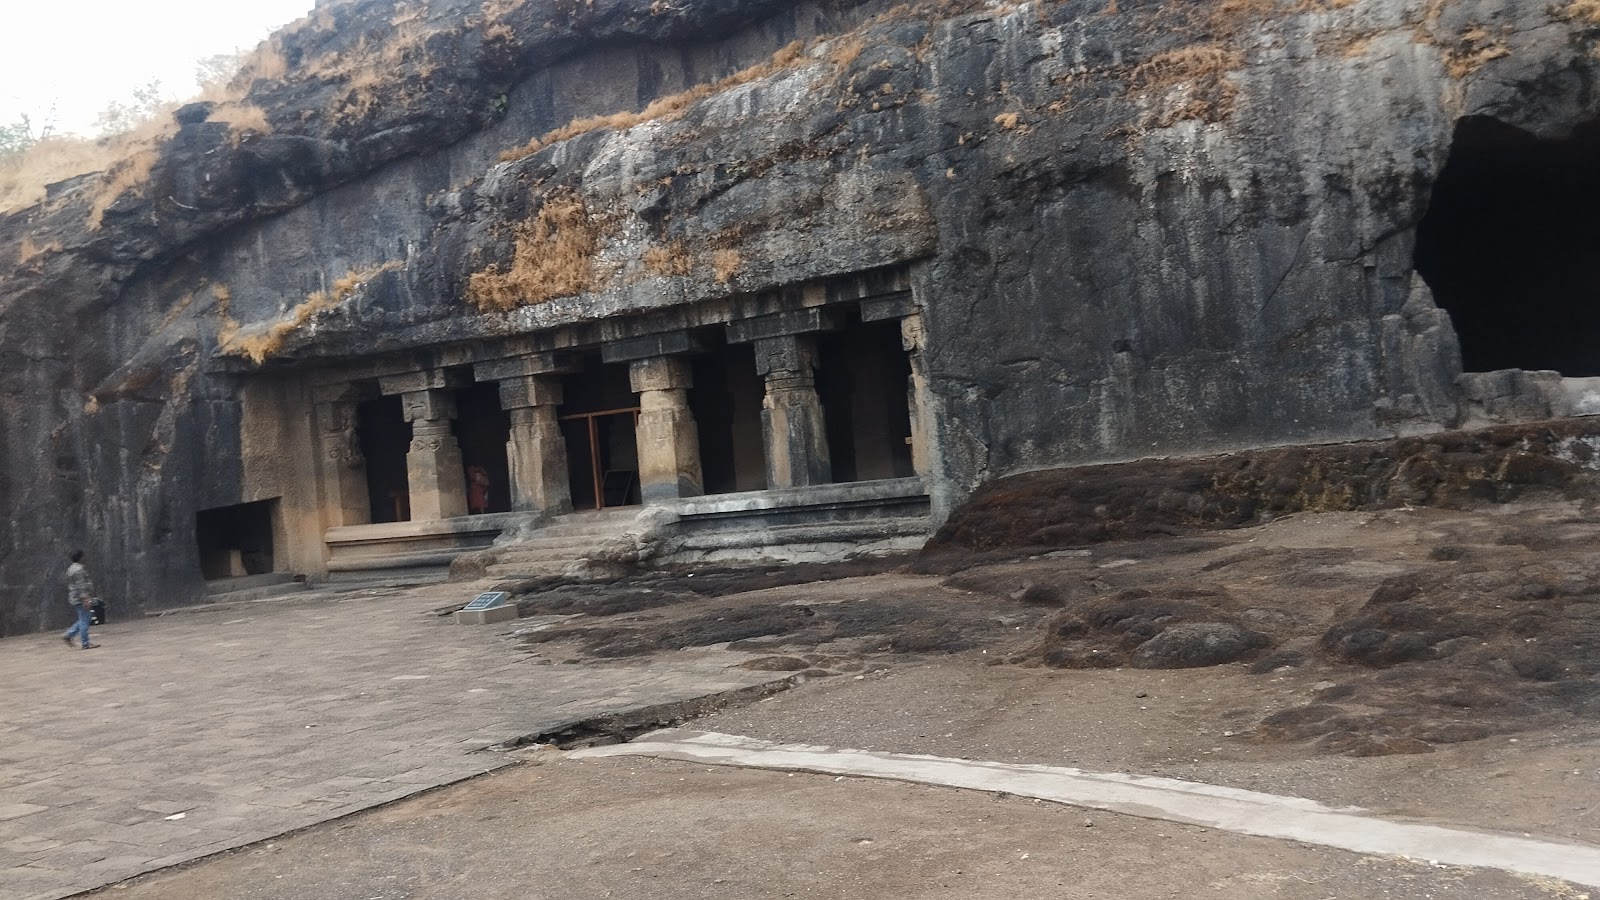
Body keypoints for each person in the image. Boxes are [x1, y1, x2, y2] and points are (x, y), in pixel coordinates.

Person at [62, 550, 100, 650]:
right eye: (84, 556)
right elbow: (81, 586)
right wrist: (85, 599)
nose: (86, 558)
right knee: (84, 620)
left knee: (84, 618)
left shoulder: (71, 569)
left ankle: (69, 635)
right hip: (80, 598)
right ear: (80, 558)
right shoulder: (79, 570)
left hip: (75, 597)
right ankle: (85, 643)